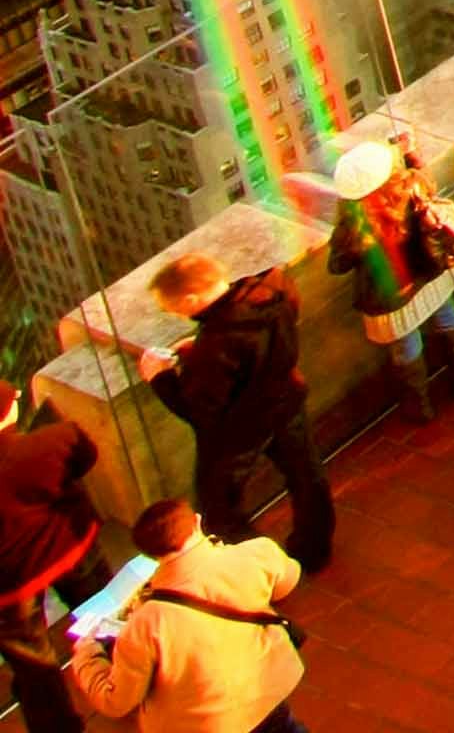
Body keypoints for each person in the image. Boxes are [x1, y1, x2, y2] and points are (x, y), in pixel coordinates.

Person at [108, 256, 327, 578]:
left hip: (243, 425)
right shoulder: (272, 285)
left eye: (172, 307)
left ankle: (263, 572)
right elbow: (250, 346)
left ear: (191, 299)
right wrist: (202, 344)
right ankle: (315, 550)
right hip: (286, 397)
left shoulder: (217, 343)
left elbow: (199, 411)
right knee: (306, 474)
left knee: (219, 509)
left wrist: (160, 377)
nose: (173, 313)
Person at [61, 498, 302, 733]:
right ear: (197, 522)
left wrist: (86, 655)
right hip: (266, 689)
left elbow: (115, 701)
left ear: (151, 555)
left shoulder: (145, 623)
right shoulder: (257, 553)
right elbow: (287, 583)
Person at [316, 142, 454, 420]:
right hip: (429, 274)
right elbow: (430, 184)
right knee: (450, 320)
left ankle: (420, 410)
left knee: (407, 349)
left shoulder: (354, 224)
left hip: (391, 295)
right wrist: (412, 154)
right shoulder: (412, 188)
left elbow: (337, 265)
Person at [0, 404, 104, 733]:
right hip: (69, 548)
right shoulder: (49, 442)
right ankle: (131, 674)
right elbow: (86, 455)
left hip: (9, 586)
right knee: (104, 613)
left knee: (35, 667)